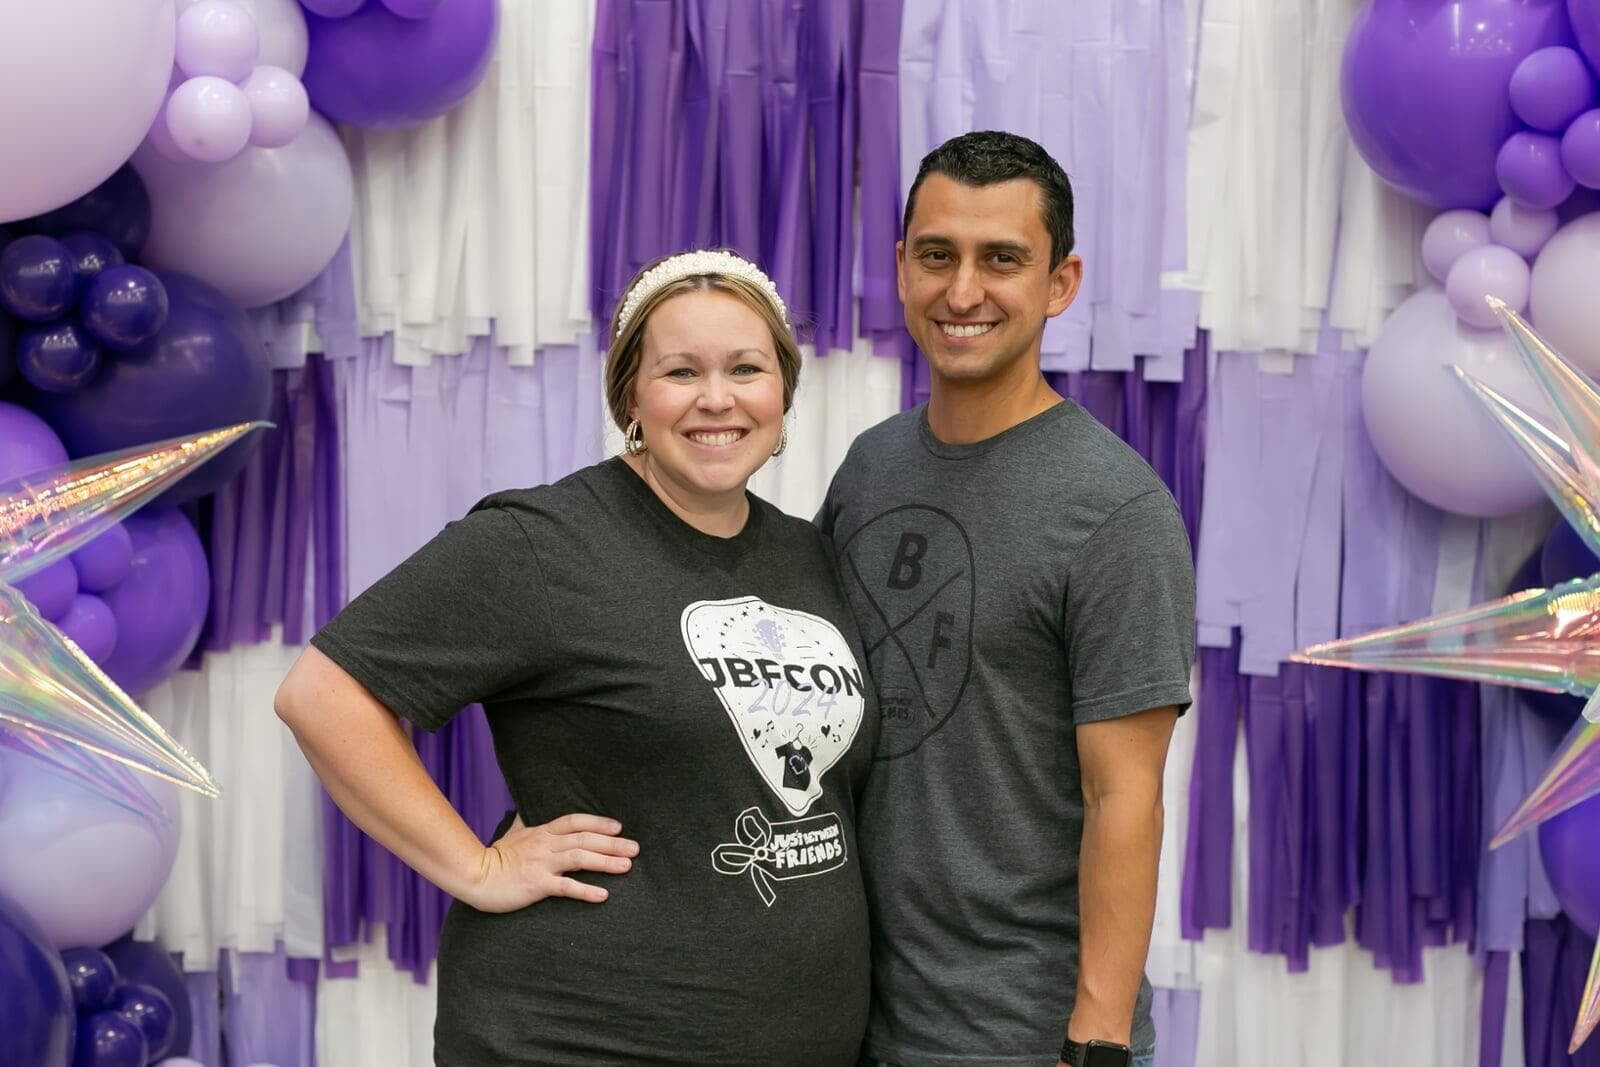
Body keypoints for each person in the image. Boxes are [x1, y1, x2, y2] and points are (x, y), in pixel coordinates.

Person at [276, 249, 879, 1066]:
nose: (717, 398)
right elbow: (322, 693)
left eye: (746, 367)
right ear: (632, 392)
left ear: (783, 390)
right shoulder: (542, 543)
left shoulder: (811, 558)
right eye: (680, 371)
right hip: (579, 1035)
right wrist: (478, 867)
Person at [817, 131, 1195, 1067]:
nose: (963, 291)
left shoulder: (1116, 509)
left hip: (1022, 1038)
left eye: (1002, 260)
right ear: (901, 268)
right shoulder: (870, 466)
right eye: (937, 255)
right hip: (854, 1016)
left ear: (1059, 283)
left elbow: (1126, 794)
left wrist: (1097, 1040)